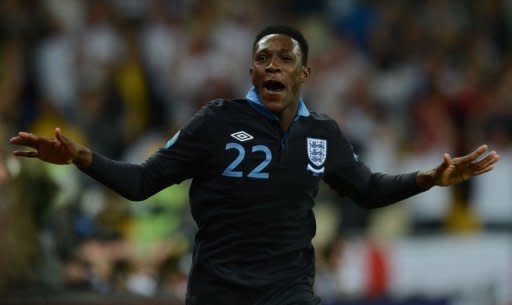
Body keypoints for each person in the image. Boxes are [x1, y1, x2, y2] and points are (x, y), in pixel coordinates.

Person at [10, 25, 499, 305]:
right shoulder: (214, 123)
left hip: (287, 294)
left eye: (284, 59)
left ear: (304, 73)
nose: (271, 66)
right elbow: (142, 183)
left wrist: (431, 179)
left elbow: (368, 189)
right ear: (251, 70)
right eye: (263, 58)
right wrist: (80, 157)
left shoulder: (321, 134)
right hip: (217, 294)